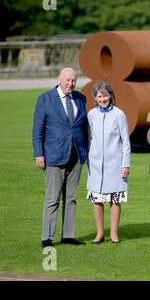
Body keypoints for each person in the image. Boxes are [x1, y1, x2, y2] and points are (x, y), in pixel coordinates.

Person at [32, 67, 88, 248]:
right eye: (67, 80)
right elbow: (37, 130)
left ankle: (68, 235)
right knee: (52, 198)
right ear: (59, 79)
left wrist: (85, 152)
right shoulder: (45, 99)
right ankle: (47, 238)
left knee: (71, 198)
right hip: (54, 156)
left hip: (77, 155)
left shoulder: (81, 98)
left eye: (73, 81)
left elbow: (83, 128)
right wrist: (38, 153)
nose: (70, 84)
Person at [86, 81, 131, 244]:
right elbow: (89, 138)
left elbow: (126, 141)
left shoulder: (119, 114)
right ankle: (99, 234)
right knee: (97, 199)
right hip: (96, 165)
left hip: (116, 165)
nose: (103, 99)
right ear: (95, 98)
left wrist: (126, 164)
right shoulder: (91, 115)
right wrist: (88, 159)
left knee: (115, 199)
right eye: (99, 96)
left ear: (111, 96)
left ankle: (114, 234)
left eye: (105, 95)